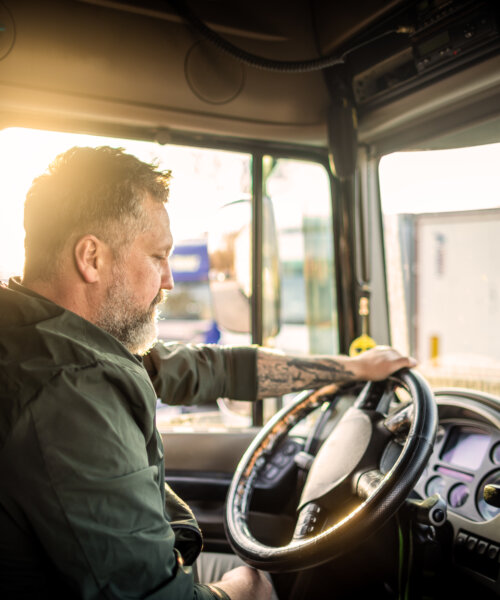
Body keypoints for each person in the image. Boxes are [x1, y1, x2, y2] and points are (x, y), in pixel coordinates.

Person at [0, 146, 417, 599]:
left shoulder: (46, 337)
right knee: (266, 578)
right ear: (92, 258)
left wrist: (350, 368)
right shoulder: (69, 391)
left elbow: (205, 368)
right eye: (158, 257)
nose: (169, 281)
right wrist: (243, 589)